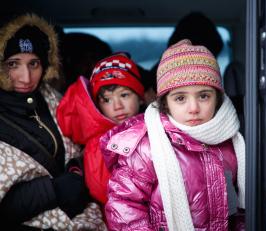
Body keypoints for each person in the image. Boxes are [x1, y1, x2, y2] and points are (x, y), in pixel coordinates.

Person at [100, 39, 245, 230]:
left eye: (203, 96)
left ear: (217, 98)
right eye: (180, 98)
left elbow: (238, 212)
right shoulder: (147, 147)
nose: (193, 108)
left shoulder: (230, 144)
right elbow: (125, 208)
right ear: (165, 103)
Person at [0, 14, 106, 230]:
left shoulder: (55, 101)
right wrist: (54, 190)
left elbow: (81, 149)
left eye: (34, 64)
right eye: (13, 64)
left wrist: (77, 170)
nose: (26, 77)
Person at [56, 52, 145, 206]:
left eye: (124, 95)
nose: (117, 106)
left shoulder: (158, 128)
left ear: (140, 96)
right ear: (97, 105)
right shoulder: (99, 144)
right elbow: (103, 191)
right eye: (107, 100)